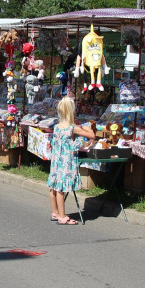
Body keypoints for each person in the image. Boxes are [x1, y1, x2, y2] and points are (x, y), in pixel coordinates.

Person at [47, 96, 97, 225]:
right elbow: (92, 135)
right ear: (71, 111)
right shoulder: (72, 128)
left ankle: (55, 212)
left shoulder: (57, 127)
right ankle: (63, 216)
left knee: (53, 187)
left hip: (57, 162)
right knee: (60, 189)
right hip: (66, 162)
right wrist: (86, 128)